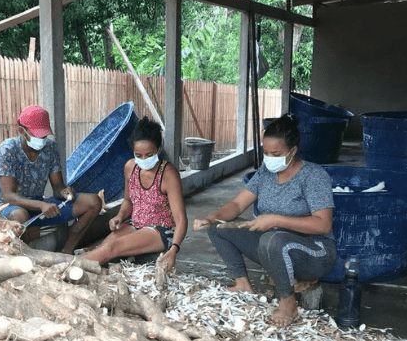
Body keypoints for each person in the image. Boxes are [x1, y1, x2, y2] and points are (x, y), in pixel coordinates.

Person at [193, 113, 337, 327]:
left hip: (315, 252)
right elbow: (237, 205)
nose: (270, 157)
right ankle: (242, 283)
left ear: (293, 151)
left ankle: (288, 302)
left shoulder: (314, 177)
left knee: (273, 240)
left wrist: (275, 219)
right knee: (219, 229)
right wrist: (212, 217)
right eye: (266, 152)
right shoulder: (265, 173)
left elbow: (323, 223)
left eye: (276, 153)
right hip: (273, 246)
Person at [0, 105, 102, 254]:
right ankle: (24, 256)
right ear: (21, 131)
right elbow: (8, 196)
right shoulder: (7, 149)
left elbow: (57, 187)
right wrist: (40, 205)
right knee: (20, 215)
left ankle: (67, 251)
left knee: (93, 202)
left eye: (44, 136)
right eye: (37, 136)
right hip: (11, 208)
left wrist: (65, 192)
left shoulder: (50, 148)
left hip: (39, 205)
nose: (42, 140)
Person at [82, 117, 186, 269]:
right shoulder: (130, 167)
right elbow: (128, 201)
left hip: (160, 229)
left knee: (112, 249)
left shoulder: (168, 174)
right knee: (102, 250)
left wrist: (174, 249)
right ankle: (68, 268)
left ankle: (65, 269)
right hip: (135, 223)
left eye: (149, 155)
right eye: (139, 155)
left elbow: (181, 220)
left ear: (158, 149)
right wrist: (120, 216)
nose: (143, 159)